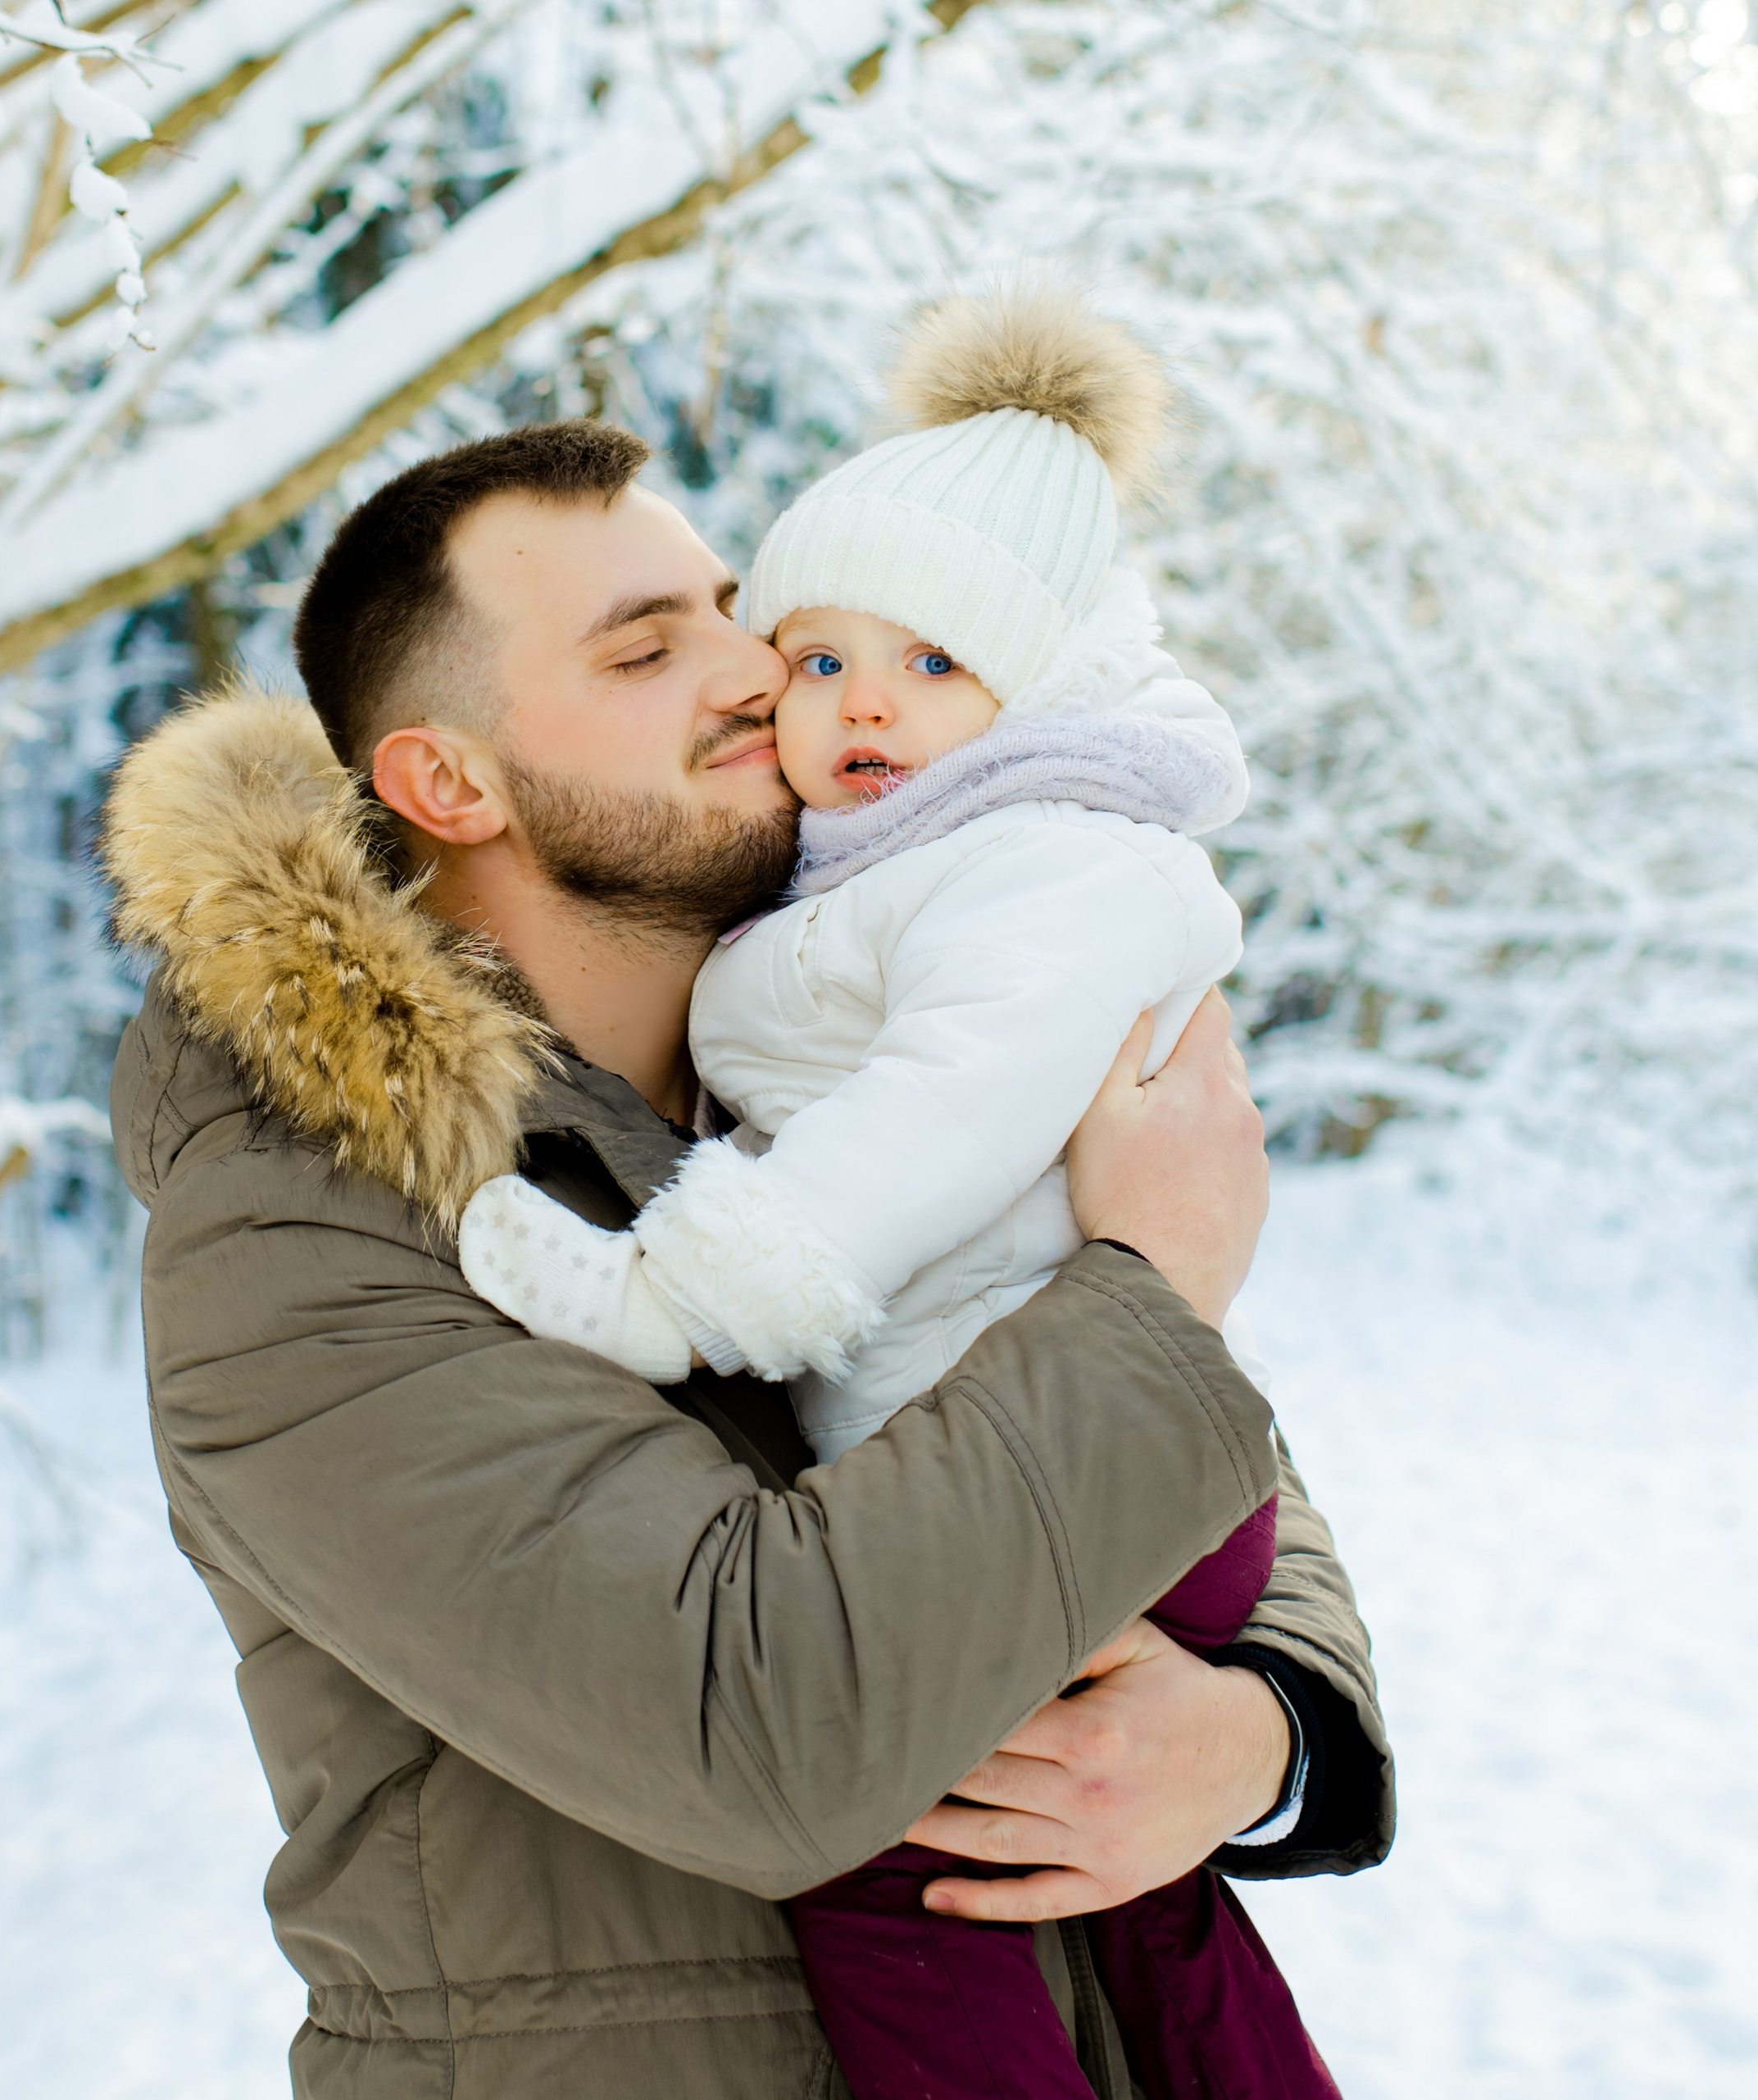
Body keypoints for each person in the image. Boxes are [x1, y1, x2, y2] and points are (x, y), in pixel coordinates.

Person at [101, 411, 1392, 2099]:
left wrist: (1259, 1732)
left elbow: (1199, 1447)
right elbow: (762, 1725)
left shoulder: (815, 1052)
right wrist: (1148, 1280)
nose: (752, 671)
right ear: (449, 781)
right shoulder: (303, 1242)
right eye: (648, 649)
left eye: (731, 610)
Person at [452, 279, 1332, 2100]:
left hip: (1048, 1459)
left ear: (1041, 686)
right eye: (824, 657)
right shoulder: (889, 865)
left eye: (935, 664)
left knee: (909, 1869)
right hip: (1028, 1445)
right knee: (1114, 1894)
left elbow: (939, 1115)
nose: (857, 705)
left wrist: (677, 1287)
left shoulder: (1039, 862)